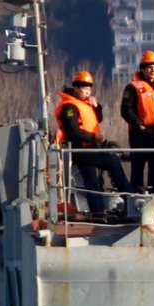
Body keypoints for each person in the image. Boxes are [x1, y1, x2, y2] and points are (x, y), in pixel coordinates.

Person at [54, 70, 134, 214]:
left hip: (92, 149)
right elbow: (73, 131)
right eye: (85, 88)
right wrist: (93, 138)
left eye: (89, 88)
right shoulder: (69, 107)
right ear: (76, 88)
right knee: (107, 167)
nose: (88, 91)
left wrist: (97, 107)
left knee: (95, 179)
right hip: (82, 150)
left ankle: (108, 207)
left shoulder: (84, 103)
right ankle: (127, 201)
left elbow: (98, 119)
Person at [120, 50, 154, 194]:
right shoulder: (133, 87)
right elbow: (126, 109)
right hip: (140, 134)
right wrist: (138, 124)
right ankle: (136, 198)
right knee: (138, 168)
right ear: (142, 69)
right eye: (149, 67)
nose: (152, 70)